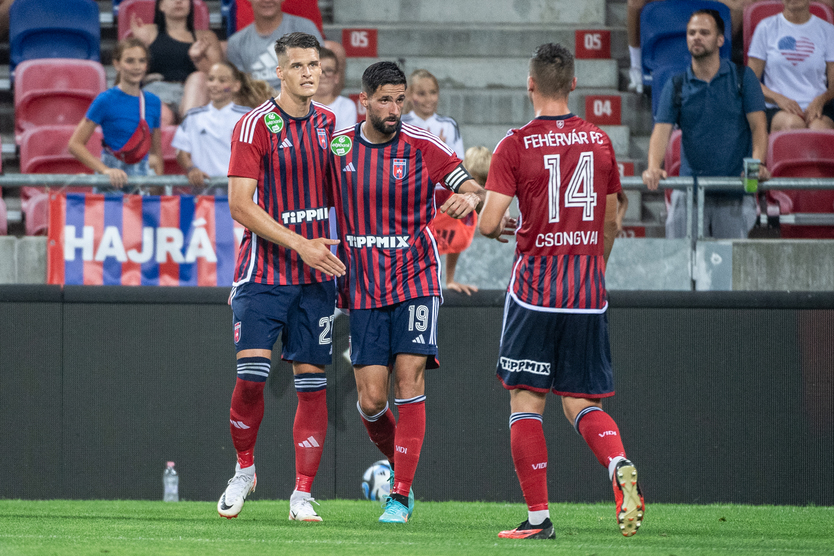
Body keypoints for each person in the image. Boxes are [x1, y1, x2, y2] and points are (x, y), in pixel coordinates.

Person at [478, 42, 640, 541]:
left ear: (530, 84)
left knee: (527, 402)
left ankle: (538, 519)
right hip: (587, 289)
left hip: (535, 290)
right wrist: (594, 268)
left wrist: (501, 224)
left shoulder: (514, 144)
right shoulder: (599, 140)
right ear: (573, 84)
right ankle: (617, 463)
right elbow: (613, 219)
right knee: (581, 400)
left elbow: (488, 224)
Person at [326, 61, 486, 524]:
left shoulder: (422, 144)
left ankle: (398, 496)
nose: (395, 109)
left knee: (409, 381)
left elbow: (470, 185)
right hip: (364, 288)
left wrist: (470, 197)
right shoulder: (338, 147)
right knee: (372, 401)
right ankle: (402, 467)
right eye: (385, 100)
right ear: (364, 100)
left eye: (400, 100)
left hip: (416, 279)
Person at [217, 32, 343, 522]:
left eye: (314, 64)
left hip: (316, 278)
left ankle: (302, 495)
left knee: (312, 384)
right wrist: (300, 244)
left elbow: (346, 192)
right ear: (280, 72)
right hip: (263, 273)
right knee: (251, 379)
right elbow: (239, 205)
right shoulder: (254, 126)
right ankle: (244, 470)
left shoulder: (330, 124)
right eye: (298, 66)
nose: (309, 73)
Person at [642, 9, 771, 239]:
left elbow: (759, 127)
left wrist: (757, 164)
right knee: (680, 258)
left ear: (720, 39)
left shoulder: (744, 78)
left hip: (734, 191)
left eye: (704, 32)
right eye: (691, 33)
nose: (696, 37)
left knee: (729, 260)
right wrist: (653, 166)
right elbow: (661, 131)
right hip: (689, 190)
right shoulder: (676, 85)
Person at [402, 69, 477, 293]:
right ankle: (409, 280)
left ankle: (450, 279)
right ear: (409, 95)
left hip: (442, 192)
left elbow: (458, 162)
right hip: (412, 194)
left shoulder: (449, 124)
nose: (428, 99)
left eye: (432, 92)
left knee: (459, 220)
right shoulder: (401, 123)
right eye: (421, 93)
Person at [68, 38, 163, 192]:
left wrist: (158, 191)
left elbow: (156, 153)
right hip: (111, 186)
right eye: (130, 61)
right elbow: (75, 144)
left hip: (141, 184)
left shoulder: (154, 102)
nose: (137, 67)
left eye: (141, 61)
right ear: (117, 64)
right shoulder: (105, 100)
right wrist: (105, 170)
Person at [747, 0, 834, 132]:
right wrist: (777, 98)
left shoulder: (828, 30)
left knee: (819, 129)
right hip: (777, 107)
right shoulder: (766, 27)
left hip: (818, 107)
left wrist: (821, 100)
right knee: (792, 125)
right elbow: (750, 81)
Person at [130, 0, 222, 120]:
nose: (178, 1)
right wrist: (139, 45)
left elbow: (218, 77)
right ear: (161, 6)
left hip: (194, 94)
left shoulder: (206, 37)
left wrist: (198, 59)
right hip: (157, 90)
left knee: (199, 77)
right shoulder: (147, 32)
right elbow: (129, 71)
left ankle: (188, 125)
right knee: (163, 115)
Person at [172, 62, 255, 193]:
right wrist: (191, 168)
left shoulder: (248, 117)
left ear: (236, 86)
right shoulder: (193, 117)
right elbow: (181, 151)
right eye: (211, 79)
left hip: (240, 194)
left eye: (222, 80)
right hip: (204, 195)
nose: (214, 84)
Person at [227, 0, 323, 90]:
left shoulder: (304, 28)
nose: (267, 1)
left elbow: (320, 70)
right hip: (258, 101)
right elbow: (240, 89)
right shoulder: (236, 42)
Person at [312, 47, 357, 130]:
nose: (322, 75)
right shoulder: (297, 104)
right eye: (317, 70)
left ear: (336, 77)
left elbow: (343, 137)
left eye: (328, 70)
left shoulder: (346, 106)